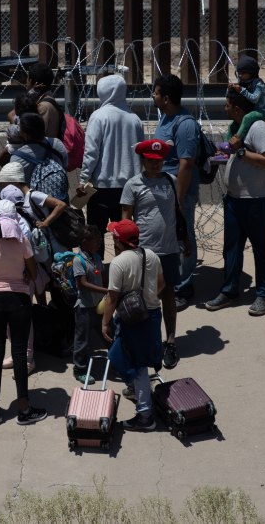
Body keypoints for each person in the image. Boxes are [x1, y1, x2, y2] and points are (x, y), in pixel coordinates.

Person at [202, 93, 265, 316]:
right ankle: (230, 291)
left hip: (257, 199)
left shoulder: (257, 128)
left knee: (261, 248)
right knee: (232, 247)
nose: (224, 108)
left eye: (227, 105)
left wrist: (241, 152)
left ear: (236, 107)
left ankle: (264, 294)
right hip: (234, 199)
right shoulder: (236, 127)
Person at [0, 200, 48, 426]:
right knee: (19, 353)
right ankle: (24, 409)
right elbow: (31, 270)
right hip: (18, 300)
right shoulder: (22, 242)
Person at [102, 220, 174, 432]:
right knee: (127, 357)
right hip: (151, 315)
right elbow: (161, 285)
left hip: (131, 319)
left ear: (117, 239)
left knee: (136, 365)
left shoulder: (118, 263)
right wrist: (147, 295)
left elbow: (112, 297)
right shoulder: (151, 255)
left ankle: (145, 416)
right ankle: (135, 389)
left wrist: (105, 322)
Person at [119, 139, 182, 368]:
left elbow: (178, 212)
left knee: (168, 295)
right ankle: (147, 341)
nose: (156, 165)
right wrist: (127, 249)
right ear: (143, 160)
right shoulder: (132, 185)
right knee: (143, 298)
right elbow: (125, 220)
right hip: (143, 252)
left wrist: (186, 241)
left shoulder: (171, 181)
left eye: (159, 161)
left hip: (169, 249)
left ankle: (171, 341)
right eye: (151, 161)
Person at [76, 74, 145, 251]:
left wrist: (84, 180)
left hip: (101, 187)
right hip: (129, 187)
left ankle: (96, 272)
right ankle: (124, 272)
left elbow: (91, 152)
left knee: (95, 235)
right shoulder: (134, 119)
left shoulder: (98, 117)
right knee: (124, 236)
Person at [152, 73, 200, 309]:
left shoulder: (185, 124)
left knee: (184, 236)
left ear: (166, 97)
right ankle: (171, 281)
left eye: (156, 92)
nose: (153, 96)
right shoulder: (165, 119)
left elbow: (186, 164)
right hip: (164, 190)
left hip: (180, 193)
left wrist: (179, 199)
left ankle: (184, 286)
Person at [69, 226, 111, 384]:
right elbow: (82, 284)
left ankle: (116, 361)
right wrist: (105, 289)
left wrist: (107, 289)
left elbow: (103, 274)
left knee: (108, 334)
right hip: (85, 308)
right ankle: (79, 369)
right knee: (82, 341)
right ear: (85, 242)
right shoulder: (78, 260)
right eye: (96, 241)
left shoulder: (97, 257)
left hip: (100, 305)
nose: (99, 244)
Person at [0, 112, 69, 200]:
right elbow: (65, 168)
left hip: (34, 207)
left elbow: (13, 188)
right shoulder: (57, 144)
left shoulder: (17, 157)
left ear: (25, 134)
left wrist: (12, 145)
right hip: (59, 199)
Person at [226, 55, 265, 152]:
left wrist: (242, 90)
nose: (240, 76)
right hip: (251, 110)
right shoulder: (244, 82)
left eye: (243, 73)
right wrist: (230, 89)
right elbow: (232, 99)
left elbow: (254, 98)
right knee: (232, 125)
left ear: (251, 73)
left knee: (247, 118)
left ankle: (237, 139)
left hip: (262, 111)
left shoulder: (258, 84)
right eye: (238, 73)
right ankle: (227, 147)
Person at [7, 65, 62, 138]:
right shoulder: (45, 100)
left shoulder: (43, 106)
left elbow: (30, 134)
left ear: (30, 81)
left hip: (42, 149)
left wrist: (11, 118)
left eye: (27, 78)